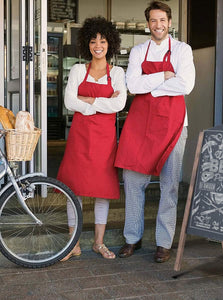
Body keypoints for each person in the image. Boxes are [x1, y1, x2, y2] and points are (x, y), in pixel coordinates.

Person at [115, 1, 195, 263]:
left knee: (169, 185)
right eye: (153, 20)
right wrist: (164, 77)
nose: (158, 25)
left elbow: (187, 85)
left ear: (169, 23)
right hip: (140, 125)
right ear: (148, 23)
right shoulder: (139, 50)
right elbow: (133, 86)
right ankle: (132, 239)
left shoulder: (183, 50)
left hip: (173, 125)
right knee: (133, 182)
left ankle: (163, 242)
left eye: (162, 20)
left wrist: (152, 87)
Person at [57, 16, 126, 261]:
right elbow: (68, 101)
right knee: (73, 188)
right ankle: (73, 244)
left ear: (111, 44)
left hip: (104, 139)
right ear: (87, 43)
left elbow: (120, 103)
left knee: (102, 190)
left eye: (103, 40)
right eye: (94, 40)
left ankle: (98, 242)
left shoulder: (117, 72)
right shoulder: (77, 69)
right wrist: (100, 104)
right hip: (80, 136)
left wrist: (88, 101)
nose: (98, 45)